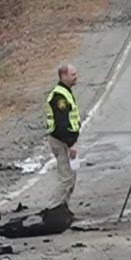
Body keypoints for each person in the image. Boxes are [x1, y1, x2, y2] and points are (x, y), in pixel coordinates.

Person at [45, 64, 81, 210]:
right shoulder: (59, 97)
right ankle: (54, 208)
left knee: (71, 175)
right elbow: (62, 124)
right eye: (73, 74)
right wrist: (70, 145)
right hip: (62, 141)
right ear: (63, 76)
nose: (76, 77)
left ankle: (63, 207)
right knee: (66, 177)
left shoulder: (65, 92)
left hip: (66, 140)